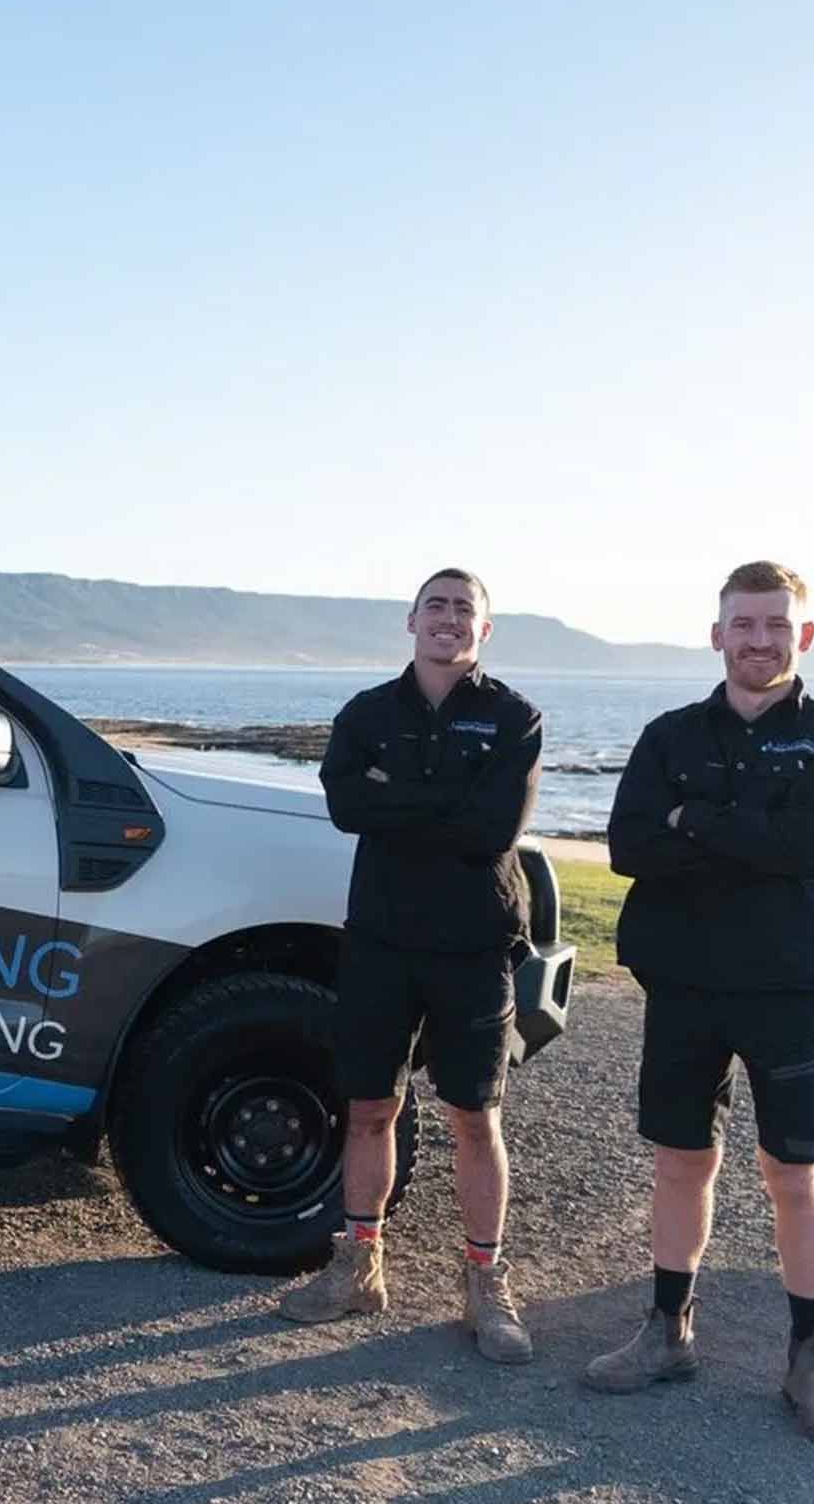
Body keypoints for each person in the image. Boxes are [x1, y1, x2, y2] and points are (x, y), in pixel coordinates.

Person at [584, 561, 814, 1444]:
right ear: (717, 634)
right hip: (684, 983)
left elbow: (813, 846)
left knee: (795, 1174)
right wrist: (748, 828)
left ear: (804, 637)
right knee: (682, 1162)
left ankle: (809, 1359)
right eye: (743, 624)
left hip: (788, 984)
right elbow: (629, 844)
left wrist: (694, 821)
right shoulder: (669, 735)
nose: (759, 640)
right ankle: (668, 1331)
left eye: (776, 625)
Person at [277, 567, 542, 1362]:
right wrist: (446, 800)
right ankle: (360, 1266)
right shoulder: (366, 713)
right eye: (437, 605)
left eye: (465, 609)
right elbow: (345, 806)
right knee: (369, 1108)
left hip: (474, 944)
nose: (449, 619)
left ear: (484, 630)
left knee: (474, 1117)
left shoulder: (514, 717)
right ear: (411, 620)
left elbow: (495, 828)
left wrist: (402, 797)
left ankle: (486, 1283)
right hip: (381, 939)